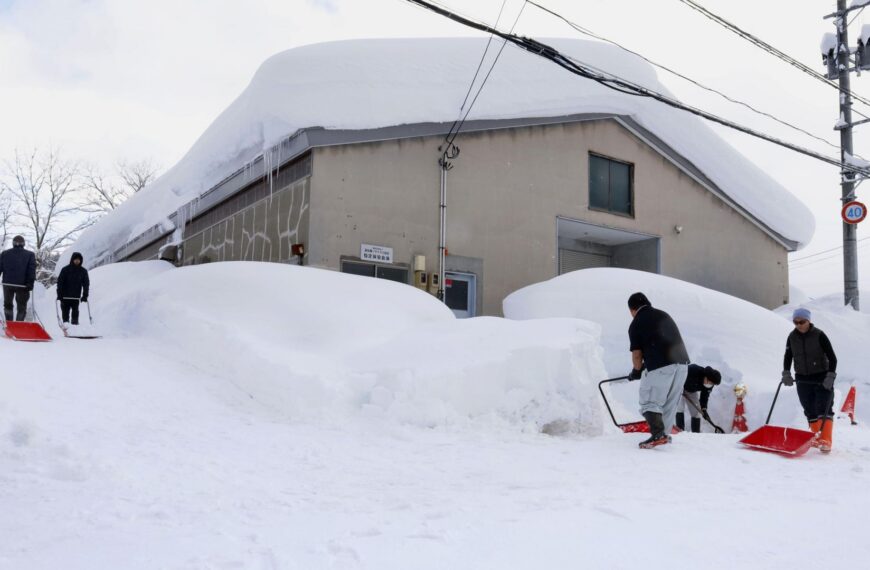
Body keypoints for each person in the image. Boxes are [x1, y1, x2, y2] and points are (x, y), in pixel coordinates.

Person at [627, 292, 690, 449]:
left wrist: (636, 371)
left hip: (660, 365)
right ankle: (663, 436)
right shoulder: (663, 314)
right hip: (682, 364)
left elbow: (637, 354)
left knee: (649, 401)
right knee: (669, 402)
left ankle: (658, 434)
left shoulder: (636, 323)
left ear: (632, 309)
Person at [782, 308, 837, 453]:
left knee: (823, 407)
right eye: (796, 322)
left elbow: (832, 357)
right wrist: (786, 373)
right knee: (809, 409)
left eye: (802, 321)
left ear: (809, 321)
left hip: (821, 376)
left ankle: (825, 440)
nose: (799, 325)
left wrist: (830, 376)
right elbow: (788, 357)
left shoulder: (819, 335)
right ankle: (816, 438)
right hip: (802, 378)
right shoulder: (792, 337)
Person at [0, 235, 36, 322]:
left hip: (7, 284)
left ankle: (9, 323)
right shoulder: (30, 254)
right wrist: (30, 283)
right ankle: (19, 324)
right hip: (22, 285)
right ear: (23, 244)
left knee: (8, 305)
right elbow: (31, 270)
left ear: (13, 243)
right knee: (22, 306)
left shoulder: (5, 253)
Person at [676, 365, 722, 433]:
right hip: (679, 387)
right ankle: (679, 430)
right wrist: (679, 387)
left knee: (696, 412)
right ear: (706, 376)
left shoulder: (709, 385)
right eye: (708, 381)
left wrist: (704, 409)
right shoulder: (694, 370)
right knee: (680, 408)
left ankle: (696, 434)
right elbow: (679, 374)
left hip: (691, 391)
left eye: (712, 383)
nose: (709, 384)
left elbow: (704, 396)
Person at [56, 252, 90, 326]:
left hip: (75, 297)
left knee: (75, 314)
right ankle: (66, 327)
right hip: (65, 297)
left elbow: (86, 284)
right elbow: (60, 282)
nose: (77, 261)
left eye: (79, 259)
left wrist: (85, 296)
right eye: (75, 259)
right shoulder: (65, 270)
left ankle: (75, 327)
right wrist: (59, 294)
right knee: (65, 314)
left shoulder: (83, 271)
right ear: (72, 259)